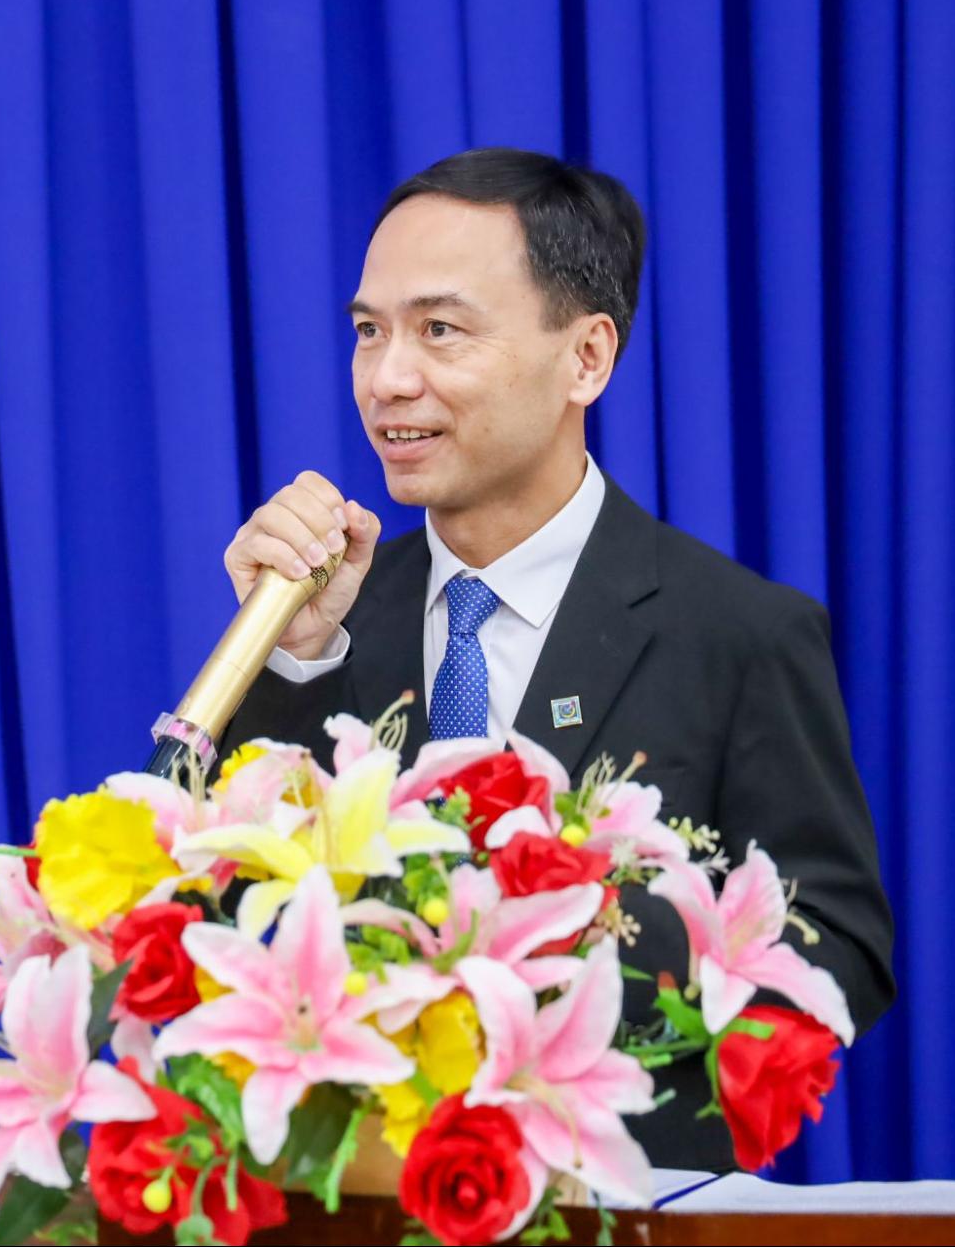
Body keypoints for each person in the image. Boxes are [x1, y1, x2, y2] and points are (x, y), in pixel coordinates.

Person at [218, 147, 894, 1171]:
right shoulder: (324, 619)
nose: (387, 378)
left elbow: (837, 946)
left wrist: (556, 937)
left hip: (616, 1193)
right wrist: (294, 663)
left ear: (586, 357)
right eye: (368, 332)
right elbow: (220, 916)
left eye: (439, 330)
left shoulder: (738, 634)